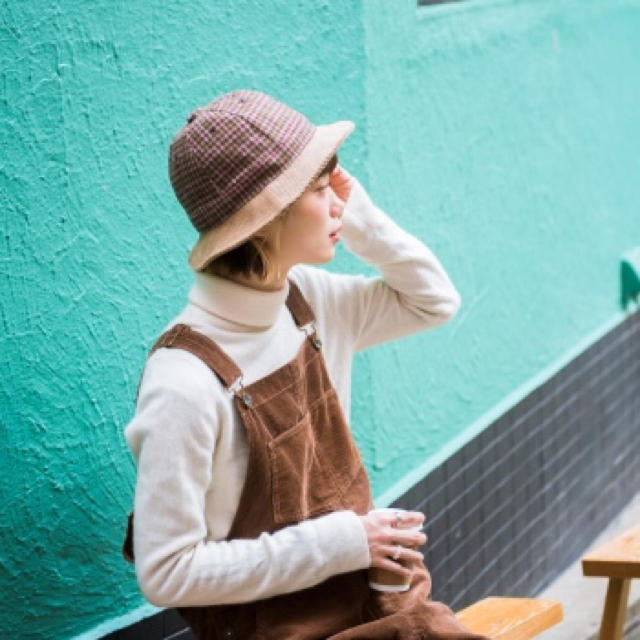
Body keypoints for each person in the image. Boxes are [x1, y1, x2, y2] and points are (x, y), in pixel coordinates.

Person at [122, 89, 487, 639]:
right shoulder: (183, 382)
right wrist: (342, 543)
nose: (338, 202)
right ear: (264, 220)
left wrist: (357, 217)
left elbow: (434, 301)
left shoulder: (307, 301)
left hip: (372, 604)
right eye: (321, 190)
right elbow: (166, 572)